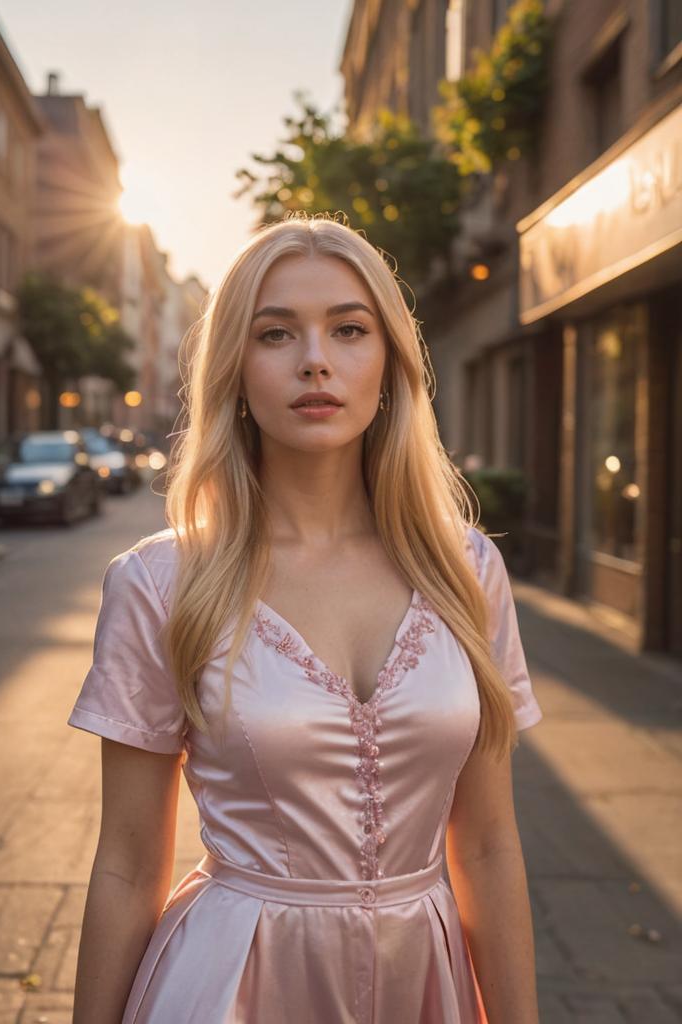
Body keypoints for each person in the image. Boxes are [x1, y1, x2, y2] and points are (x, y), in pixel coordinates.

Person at [67, 212, 543, 1024]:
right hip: (231, 987)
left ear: (388, 362)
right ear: (236, 371)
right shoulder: (161, 582)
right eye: (277, 334)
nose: (316, 360)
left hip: (422, 984)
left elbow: (491, 847)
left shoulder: (469, 571)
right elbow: (126, 861)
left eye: (349, 330)